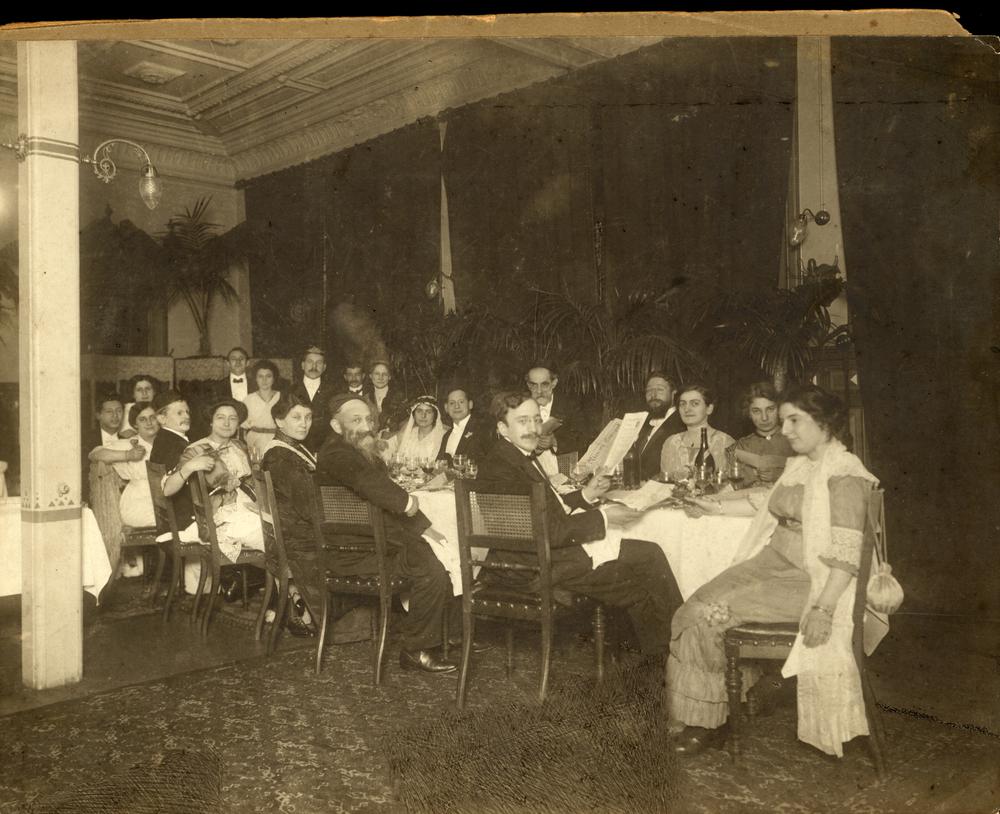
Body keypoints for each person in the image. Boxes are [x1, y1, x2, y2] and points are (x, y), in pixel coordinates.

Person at [665, 384, 878, 758]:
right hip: (774, 561)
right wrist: (714, 506)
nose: (786, 430)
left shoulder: (845, 474)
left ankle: (708, 723)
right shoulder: (801, 465)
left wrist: (824, 608)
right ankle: (725, 704)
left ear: (825, 423)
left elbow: (846, 557)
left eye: (795, 421)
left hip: (813, 579)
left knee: (709, 616)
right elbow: (763, 503)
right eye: (784, 421)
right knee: (693, 606)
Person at [479, 391, 684, 656]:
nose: (533, 428)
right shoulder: (503, 468)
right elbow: (548, 530)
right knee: (647, 563)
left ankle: (665, 653)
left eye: (536, 420)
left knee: (644, 565)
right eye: (522, 421)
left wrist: (587, 494)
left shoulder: (509, 456)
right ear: (502, 428)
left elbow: (545, 512)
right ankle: (677, 651)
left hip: (533, 557)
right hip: (534, 567)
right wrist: (605, 517)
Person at [316, 393, 458, 673]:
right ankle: (416, 650)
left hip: (371, 544)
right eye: (356, 420)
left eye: (368, 419)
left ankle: (448, 636)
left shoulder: (357, 452)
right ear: (336, 425)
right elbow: (370, 484)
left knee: (438, 549)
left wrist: (425, 528)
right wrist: (406, 502)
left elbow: (378, 491)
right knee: (431, 568)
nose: (366, 426)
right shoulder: (336, 454)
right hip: (354, 553)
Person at [90, 403, 158, 528]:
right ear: (135, 424)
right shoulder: (128, 444)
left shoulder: (167, 442)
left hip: (165, 498)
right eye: (142, 419)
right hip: (138, 503)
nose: (149, 423)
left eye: (152, 417)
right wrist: (128, 455)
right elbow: (95, 454)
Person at [660, 384, 736, 480]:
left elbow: (732, 484)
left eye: (695, 403)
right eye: (682, 404)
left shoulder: (725, 442)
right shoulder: (671, 443)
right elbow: (664, 483)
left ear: (709, 409)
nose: (687, 409)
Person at [524, 364, 588, 477]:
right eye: (533, 385)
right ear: (528, 385)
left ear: (554, 383)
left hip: (564, 472)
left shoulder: (570, 405)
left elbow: (584, 440)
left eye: (544, 385)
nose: (539, 391)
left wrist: (554, 442)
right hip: (530, 475)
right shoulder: (519, 407)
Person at [732, 381, 794, 488]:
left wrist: (781, 476)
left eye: (770, 409)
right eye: (756, 411)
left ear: (780, 409)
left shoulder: (794, 441)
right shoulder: (741, 446)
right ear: (748, 413)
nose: (764, 418)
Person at [628, 372, 685, 481]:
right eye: (649, 390)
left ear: (674, 394)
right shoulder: (644, 423)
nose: (653, 395)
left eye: (660, 390)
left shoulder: (681, 423)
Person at [291, 345, 334, 453]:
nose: (314, 366)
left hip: (325, 448)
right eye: (310, 362)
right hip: (297, 447)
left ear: (324, 367)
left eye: (319, 363)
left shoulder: (334, 392)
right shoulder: (290, 390)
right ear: (303, 365)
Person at [436, 387, 494, 465]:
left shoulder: (483, 429)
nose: (456, 406)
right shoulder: (446, 436)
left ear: (470, 404)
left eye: (461, 402)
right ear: (446, 408)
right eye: (452, 403)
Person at [381, 396, 447, 464]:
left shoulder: (443, 436)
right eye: (419, 411)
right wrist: (382, 446)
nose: (423, 415)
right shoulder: (407, 433)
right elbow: (386, 448)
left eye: (428, 412)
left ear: (435, 415)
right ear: (414, 415)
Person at [242, 359, 281, 463]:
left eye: (268, 376)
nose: (264, 380)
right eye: (260, 376)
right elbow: (243, 425)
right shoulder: (248, 399)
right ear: (255, 379)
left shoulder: (281, 397)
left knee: (276, 466)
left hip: (277, 440)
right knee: (256, 466)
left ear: (274, 378)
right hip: (255, 440)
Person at [364, 361, 407, 432]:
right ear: (370, 376)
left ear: (389, 377)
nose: (380, 378)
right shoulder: (365, 399)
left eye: (384, 374)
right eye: (377, 374)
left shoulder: (399, 397)